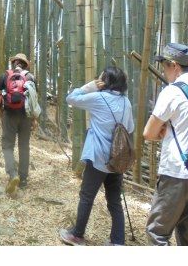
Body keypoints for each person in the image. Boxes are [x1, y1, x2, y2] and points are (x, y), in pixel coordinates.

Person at [143, 43, 188, 246]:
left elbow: (148, 133)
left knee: (157, 234)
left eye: (165, 67)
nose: (165, 72)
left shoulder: (173, 92)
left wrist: (161, 133)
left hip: (177, 175)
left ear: (174, 66)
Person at [59, 66, 134, 246]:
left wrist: (90, 86)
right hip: (118, 159)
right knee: (114, 200)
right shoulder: (127, 102)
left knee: (86, 196)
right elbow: (130, 129)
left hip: (98, 158)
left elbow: (71, 98)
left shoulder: (98, 98)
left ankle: (77, 235)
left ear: (105, 81)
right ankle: (118, 242)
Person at [0, 53, 37, 195]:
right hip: (25, 115)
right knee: (24, 146)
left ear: (14, 63)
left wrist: (2, 115)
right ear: (25, 64)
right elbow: (33, 101)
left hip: (10, 115)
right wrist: (34, 119)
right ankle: (24, 180)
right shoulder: (30, 77)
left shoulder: (5, 76)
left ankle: (13, 174)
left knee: (7, 145)